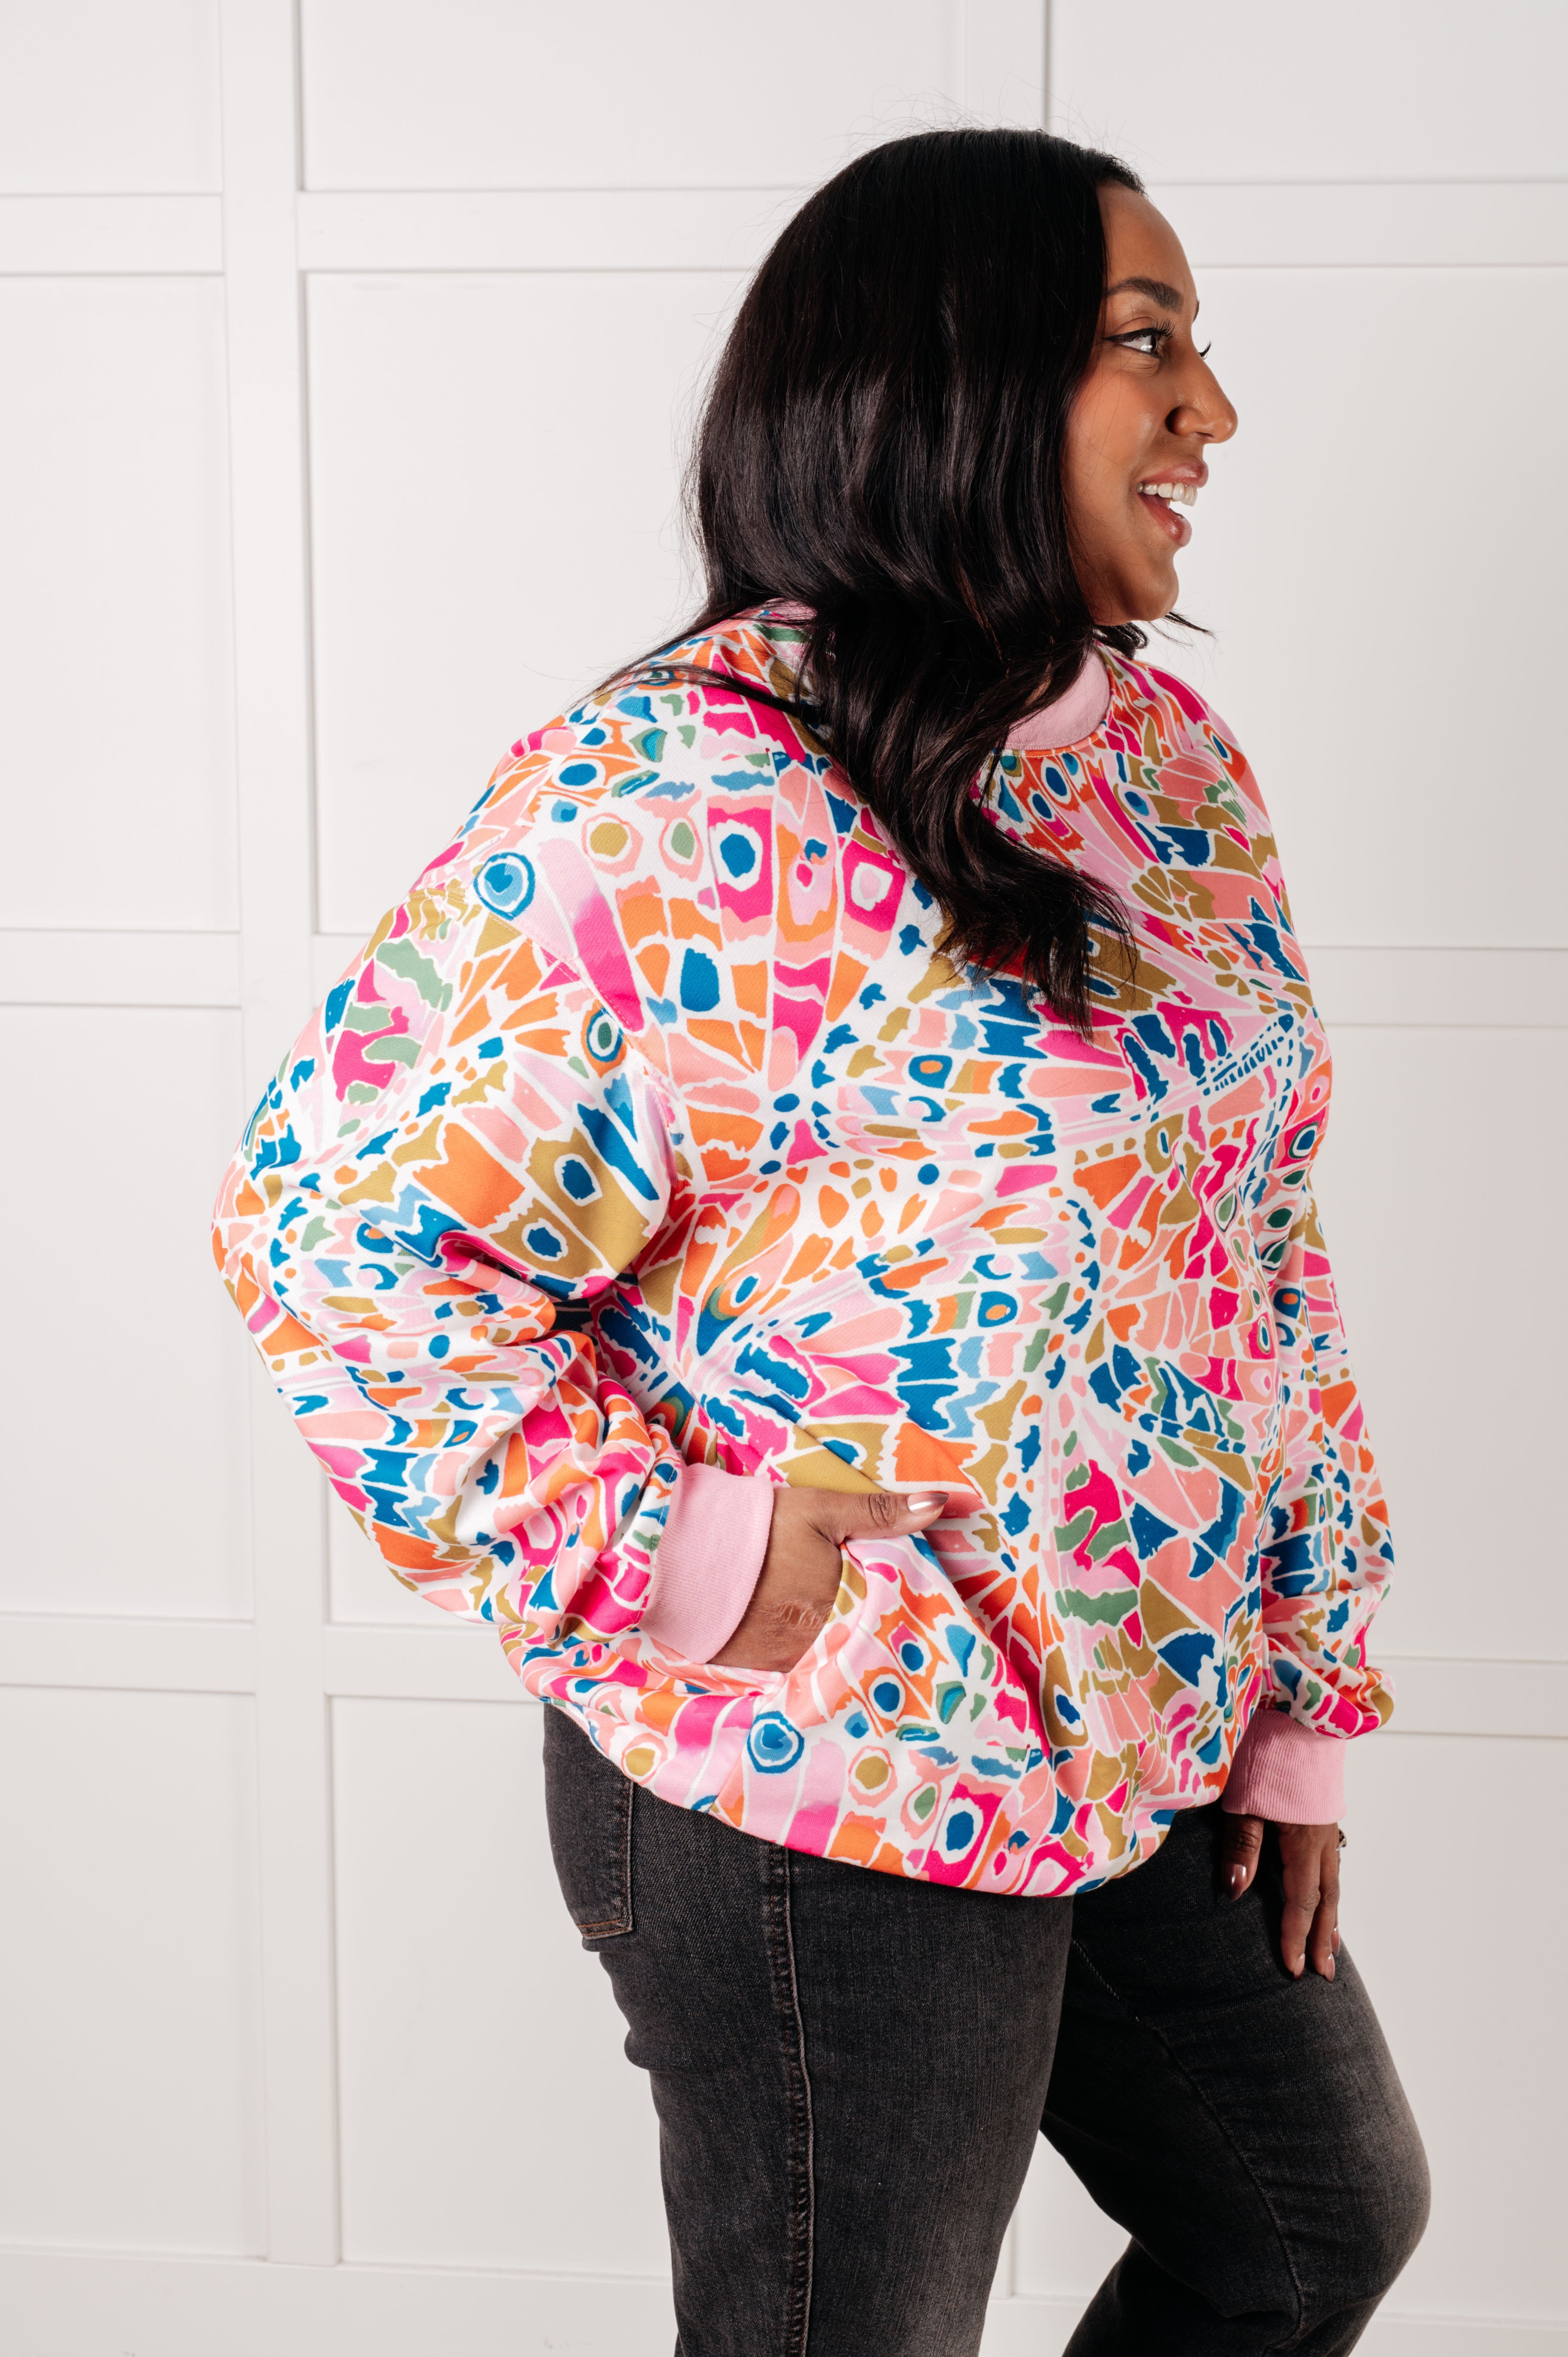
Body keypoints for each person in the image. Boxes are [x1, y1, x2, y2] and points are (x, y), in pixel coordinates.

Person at [214, 129, 1429, 2356]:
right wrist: (678, 1551)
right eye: (1145, 343)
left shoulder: (1170, 767)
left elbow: (1255, 1251)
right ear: (953, 377)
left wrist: (1298, 1687)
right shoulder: (689, 793)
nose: (1214, 412)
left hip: (1143, 1708)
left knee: (1303, 2229)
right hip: (833, 1748)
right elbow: (339, 1240)